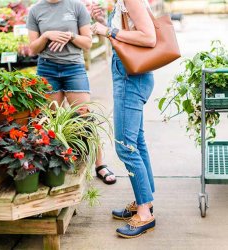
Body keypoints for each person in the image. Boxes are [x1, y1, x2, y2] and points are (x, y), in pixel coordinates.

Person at [26, 0, 116, 185]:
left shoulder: (76, 7)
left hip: (73, 68)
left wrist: (71, 36)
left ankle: (100, 164)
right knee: (51, 120)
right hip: (47, 69)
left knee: (85, 117)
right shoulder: (35, 10)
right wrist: (47, 36)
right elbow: (33, 48)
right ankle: (55, 164)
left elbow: (88, 43)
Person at [91, 0, 156, 238]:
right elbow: (127, 35)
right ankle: (145, 200)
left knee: (125, 147)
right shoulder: (121, 2)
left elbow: (149, 38)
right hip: (129, 73)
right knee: (136, 143)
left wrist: (108, 30)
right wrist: (102, 23)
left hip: (131, 77)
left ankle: (145, 214)